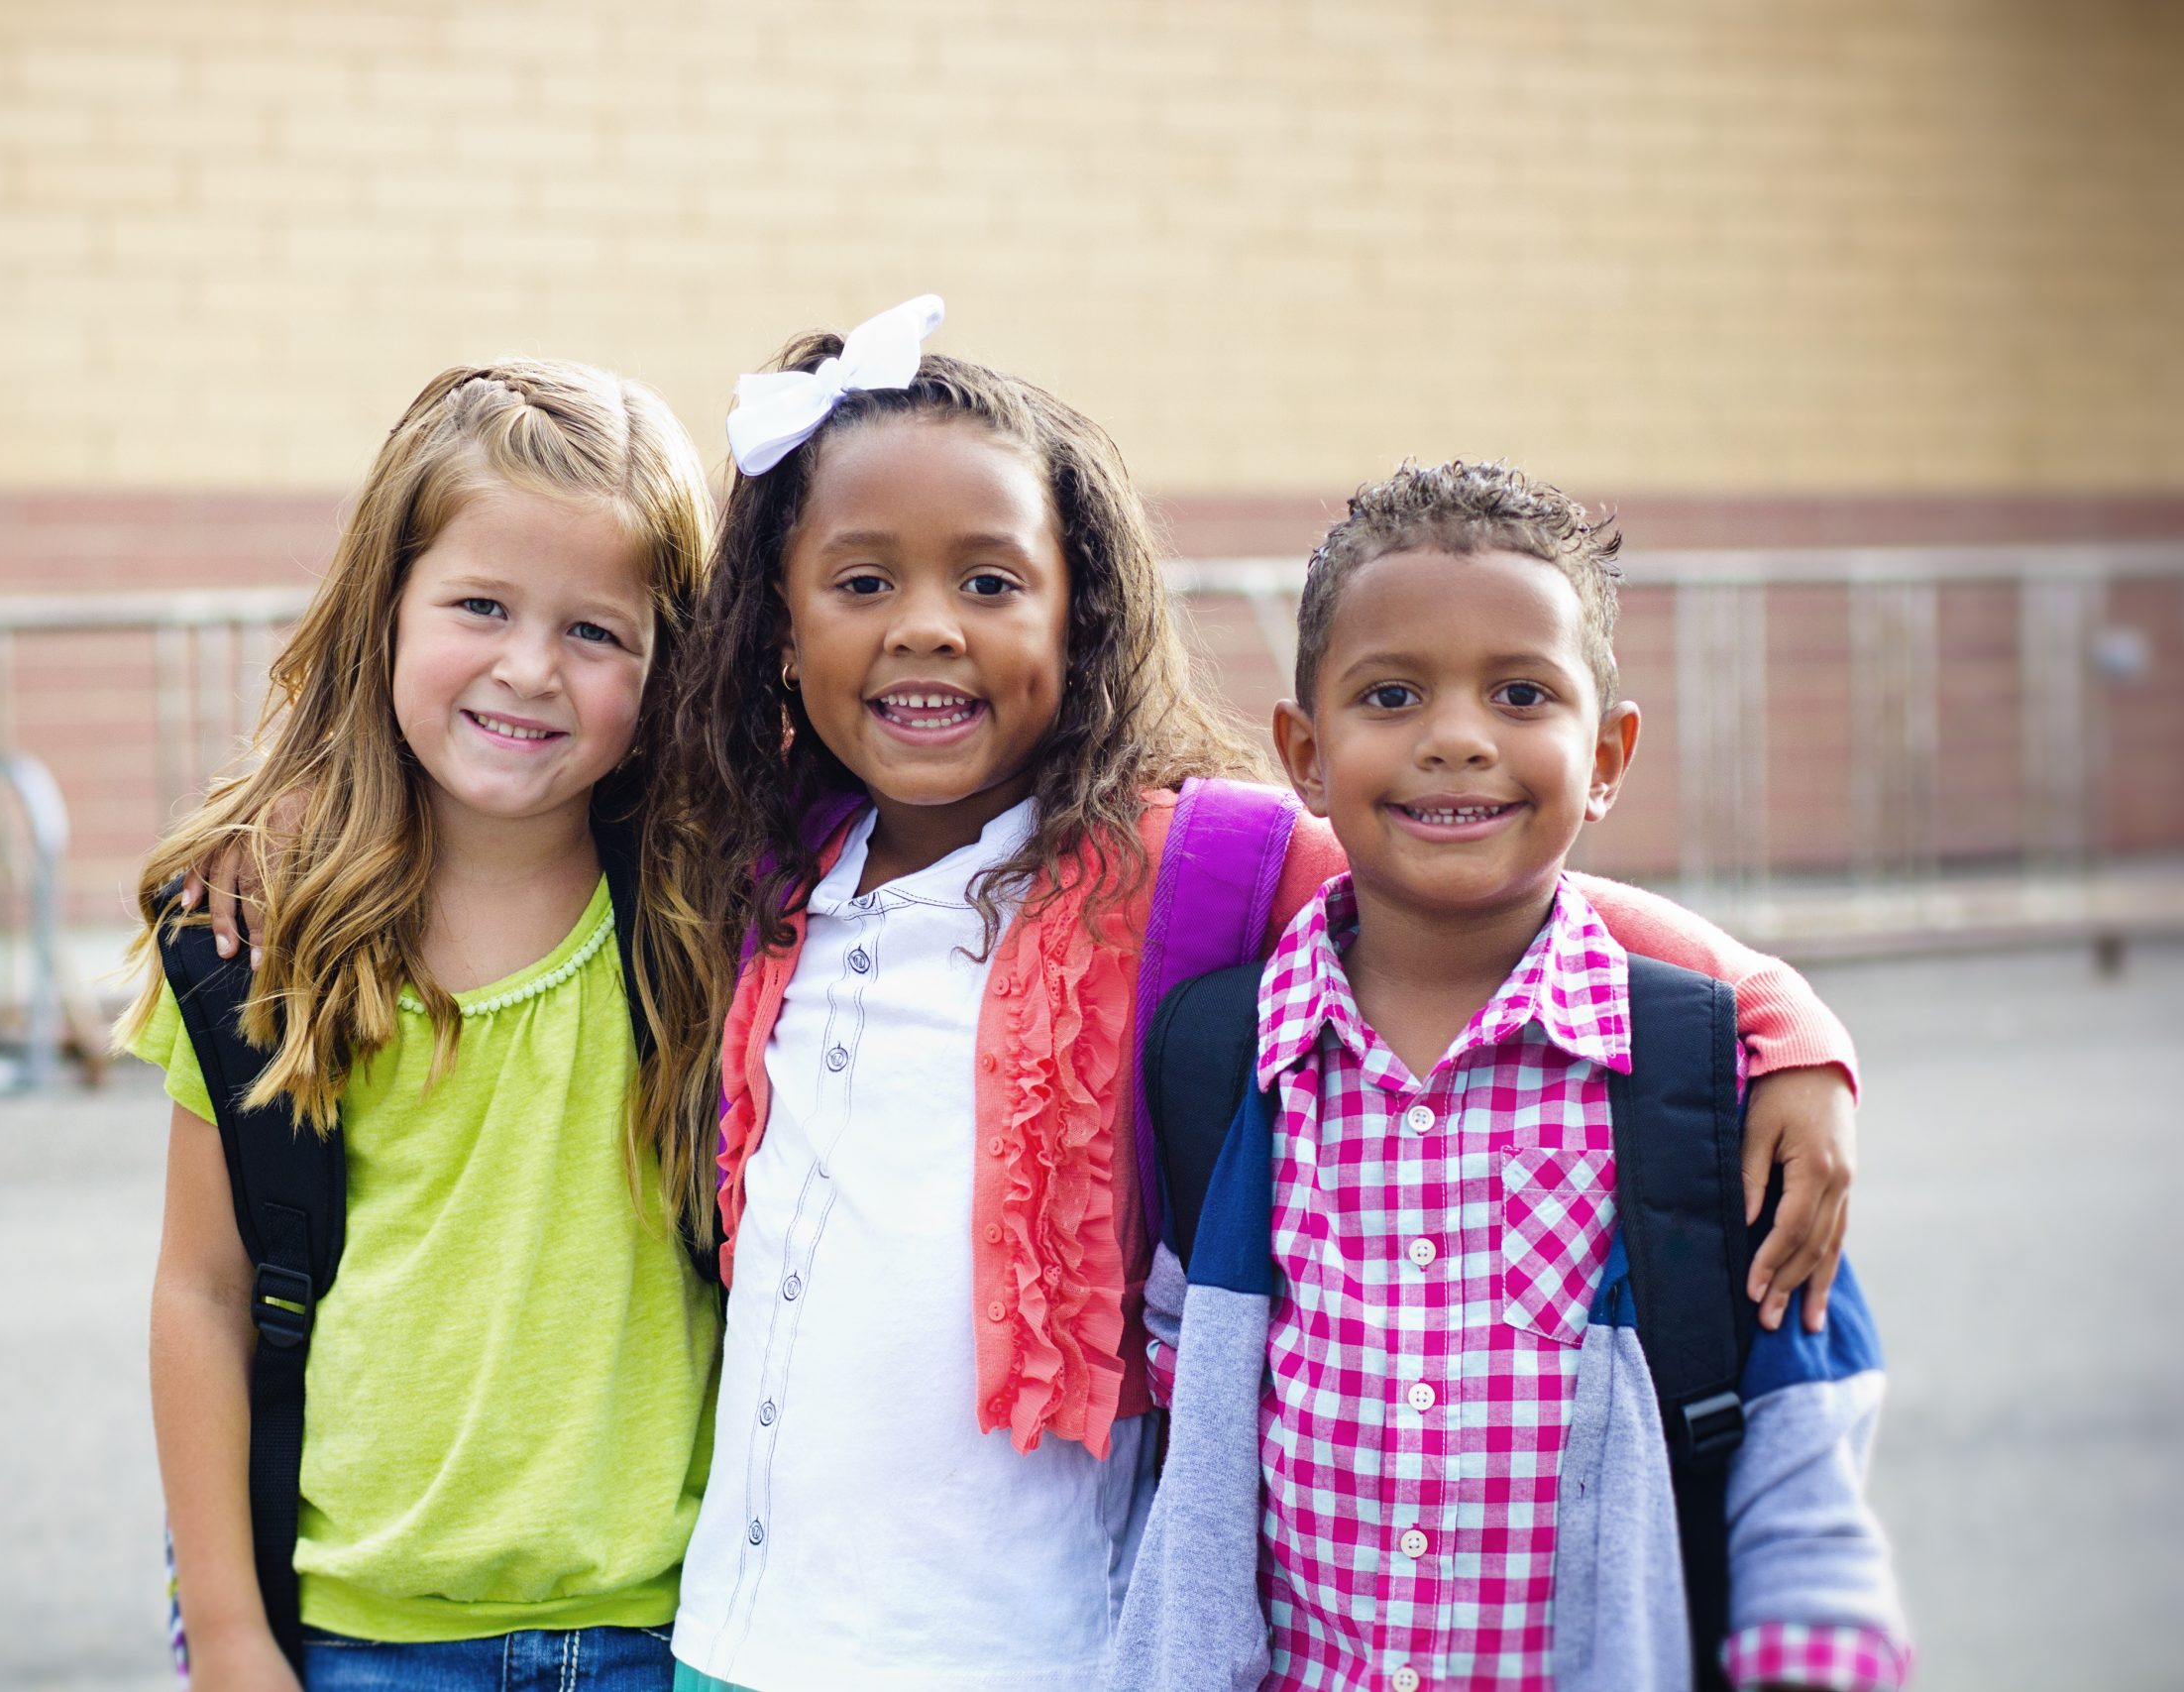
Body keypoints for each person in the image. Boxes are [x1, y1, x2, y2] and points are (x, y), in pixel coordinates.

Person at [642, 299, 1867, 1692]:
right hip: (738, 1639)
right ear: (780, 632)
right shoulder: (753, 873)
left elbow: (1502, 896)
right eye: (864, 584)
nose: (928, 628)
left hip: (1038, 1646)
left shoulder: (1188, 858)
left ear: (1080, 613)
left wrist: (1786, 1022)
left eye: (990, 584)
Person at [1115, 462, 1910, 1690]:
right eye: (1390, 694)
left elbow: (1804, 1464)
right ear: (1304, 756)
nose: (1456, 739)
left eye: (1521, 692)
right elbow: (1184, 1417)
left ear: (1606, 755)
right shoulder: (1223, 1069)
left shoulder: (1699, 1079)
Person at [123, 360, 720, 1692]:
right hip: (360, 1637)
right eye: (482, 605)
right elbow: (202, 1289)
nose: (528, 667)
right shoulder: (260, 935)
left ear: (670, 664)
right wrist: (226, 1631)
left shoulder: (709, 916)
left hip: (672, 1630)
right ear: (384, 609)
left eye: (596, 631)